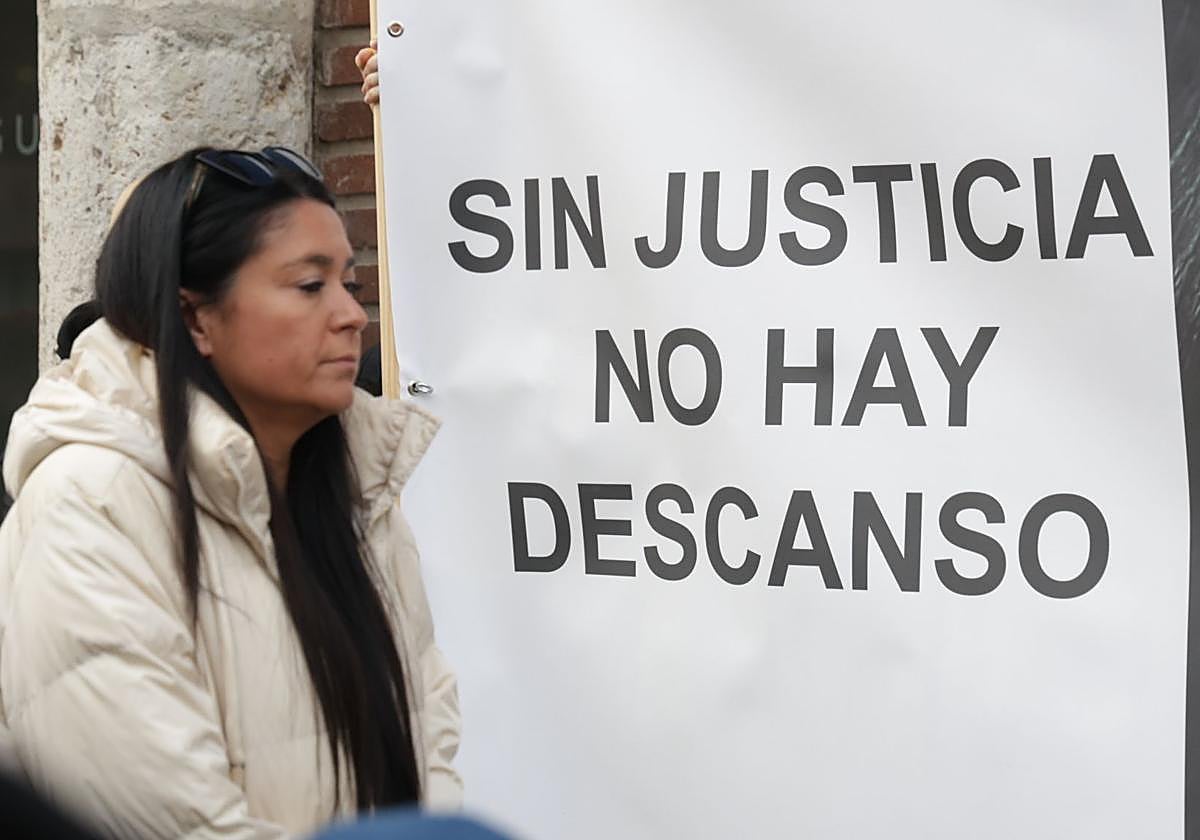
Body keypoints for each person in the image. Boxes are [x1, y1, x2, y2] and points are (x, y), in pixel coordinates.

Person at [0, 145, 461, 838]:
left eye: (350, 284)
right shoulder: (91, 503)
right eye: (310, 286)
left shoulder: (358, 492)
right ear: (194, 319)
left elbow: (430, 740)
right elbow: (169, 822)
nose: (352, 316)